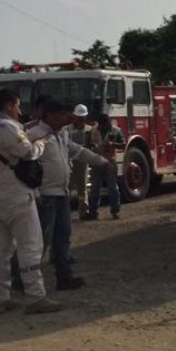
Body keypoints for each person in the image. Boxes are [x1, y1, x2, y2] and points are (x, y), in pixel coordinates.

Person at [0, 88, 62, 315]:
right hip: (16, 195)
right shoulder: (8, 128)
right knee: (30, 246)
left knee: (0, 247)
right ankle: (36, 297)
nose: (19, 111)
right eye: (16, 106)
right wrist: (42, 143)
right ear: (7, 106)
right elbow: (29, 152)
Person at [27, 100, 113, 291]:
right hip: (45, 196)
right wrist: (35, 193)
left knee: (62, 236)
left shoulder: (62, 136)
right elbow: (26, 166)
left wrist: (101, 161)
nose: (67, 118)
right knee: (39, 240)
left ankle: (64, 277)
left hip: (61, 194)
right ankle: (24, 279)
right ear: (49, 116)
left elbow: (78, 151)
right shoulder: (34, 136)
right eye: (62, 115)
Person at [87, 113, 125, 220]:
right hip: (97, 161)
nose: (103, 126)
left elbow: (123, 144)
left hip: (109, 161)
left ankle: (115, 210)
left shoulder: (116, 130)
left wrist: (113, 144)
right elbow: (87, 143)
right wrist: (91, 146)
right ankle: (93, 211)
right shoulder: (93, 130)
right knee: (95, 188)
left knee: (113, 188)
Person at [67, 104, 95, 220]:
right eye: (79, 118)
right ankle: (64, 213)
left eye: (82, 118)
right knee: (66, 186)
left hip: (82, 161)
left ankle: (83, 211)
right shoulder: (66, 130)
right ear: (74, 117)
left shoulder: (90, 130)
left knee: (82, 187)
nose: (81, 120)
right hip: (70, 161)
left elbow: (93, 145)